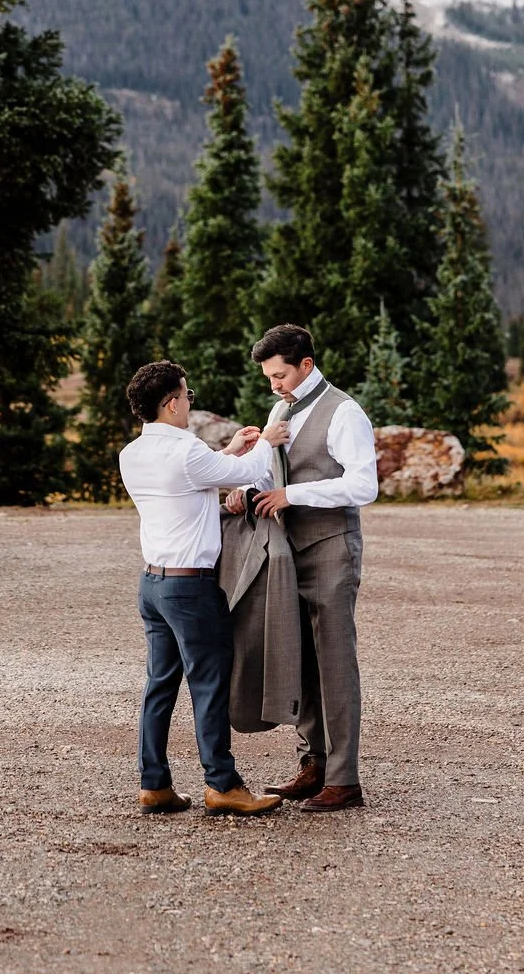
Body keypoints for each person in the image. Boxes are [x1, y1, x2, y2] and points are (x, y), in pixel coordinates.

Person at [119, 359, 286, 819]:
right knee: (209, 684)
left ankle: (154, 784)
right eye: (187, 396)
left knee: (160, 685)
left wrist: (230, 448)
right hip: (191, 589)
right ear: (172, 403)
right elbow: (230, 473)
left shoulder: (132, 454)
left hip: (153, 584)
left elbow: (201, 475)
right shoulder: (186, 451)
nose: (189, 403)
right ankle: (223, 784)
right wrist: (266, 442)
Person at [225, 324, 378, 812]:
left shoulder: (345, 412)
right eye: (268, 377)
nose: (274, 385)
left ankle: (345, 778)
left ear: (305, 365)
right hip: (287, 550)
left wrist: (294, 495)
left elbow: (364, 486)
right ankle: (312, 765)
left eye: (280, 375)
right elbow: (272, 475)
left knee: (334, 658)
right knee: (302, 657)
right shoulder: (280, 410)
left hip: (332, 547)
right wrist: (247, 490)